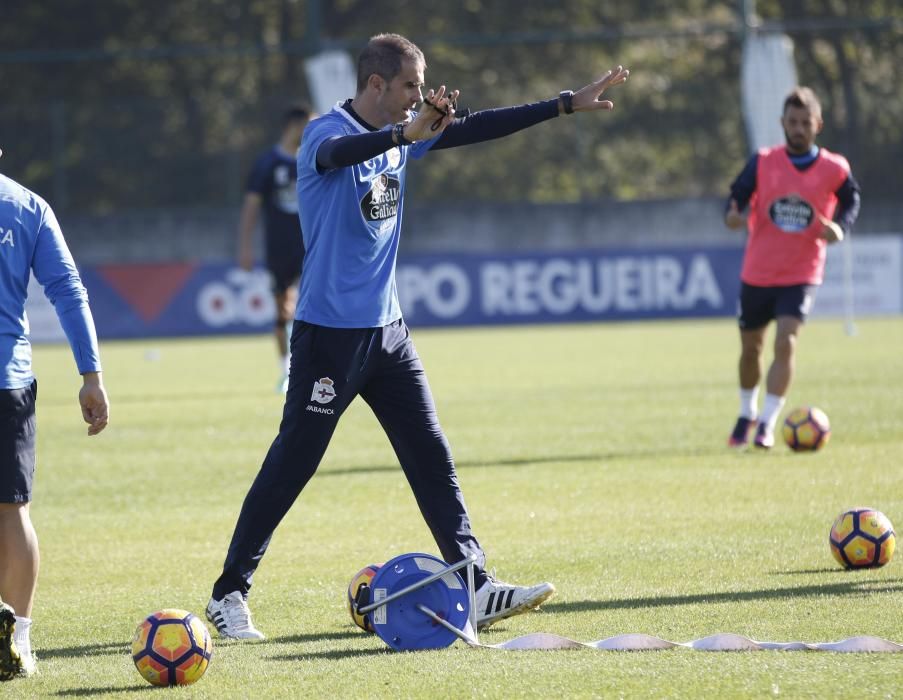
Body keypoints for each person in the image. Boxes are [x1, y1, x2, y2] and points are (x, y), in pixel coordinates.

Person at [206, 33, 629, 640]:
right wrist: (408, 135)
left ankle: (476, 585)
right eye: (410, 85)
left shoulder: (408, 134)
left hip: (389, 334)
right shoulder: (325, 134)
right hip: (329, 336)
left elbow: (477, 127)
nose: (419, 96)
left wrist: (563, 103)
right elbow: (343, 154)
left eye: (421, 86)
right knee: (293, 463)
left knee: (432, 457)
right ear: (376, 84)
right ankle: (229, 593)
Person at [0, 154, 110, 679]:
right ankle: (18, 636)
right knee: (11, 510)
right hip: (8, 382)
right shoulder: (27, 206)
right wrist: (90, 374)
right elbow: (67, 291)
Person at [725, 87, 860, 449]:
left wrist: (839, 228)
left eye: (805, 123)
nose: (798, 129)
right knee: (751, 349)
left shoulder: (835, 168)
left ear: (818, 125)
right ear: (782, 123)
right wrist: (734, 214)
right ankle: (745, 412)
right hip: (758, 271)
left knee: (786, 342)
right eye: (792, 122)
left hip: (802, 273)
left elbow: (851, 201)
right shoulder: (764, 161)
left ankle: (767, 423)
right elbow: (737, 193)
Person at [237, 104, 313, 393]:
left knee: (316, 308)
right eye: (308, 126)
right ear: (293, 127)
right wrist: (245, 246)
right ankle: (286, 371)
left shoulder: (314, 158)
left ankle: (314, 369)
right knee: (283, 310)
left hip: (314, 246)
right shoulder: (267, 163)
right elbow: (251, 207)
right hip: (280, 248)